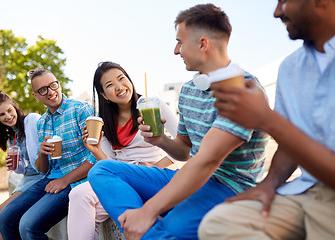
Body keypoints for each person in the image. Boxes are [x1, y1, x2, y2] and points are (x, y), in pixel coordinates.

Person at [88, 4, 269, 240]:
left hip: (230, 188)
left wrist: (147, 211)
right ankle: (147, 231)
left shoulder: (244, 90)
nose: (175, 50)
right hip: (192, 178)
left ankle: (151, 230)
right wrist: (161, 139)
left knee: (166, 230)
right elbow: (184, 150)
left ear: (202, 44)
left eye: (180, 42)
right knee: (103, 170)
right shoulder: (189, 90)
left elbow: (207, 161)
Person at [198, 0, 335, 239]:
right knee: (218, 224)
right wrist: (268, 185)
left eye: (284, 1)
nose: (276, 12)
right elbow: (291, 146)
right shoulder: (291, 67)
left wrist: (266, 119)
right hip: (308, 190)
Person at [67, 61, 178, 240]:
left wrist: (155, 166)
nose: (119, 87)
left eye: (121, 79)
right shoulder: (104, 120)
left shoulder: (152, 105)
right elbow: (107, 164)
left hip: (148, 175)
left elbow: (185, 143)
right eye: (110, 85)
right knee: (79, 196)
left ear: (129, 80)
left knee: (84, 201)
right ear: (104, 94)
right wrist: (94, 149)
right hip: (117, 177)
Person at [0, 68, 97, 240]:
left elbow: (95, 157)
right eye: (43, 89)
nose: (50, 92)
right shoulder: (42, 122)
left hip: (76, 181)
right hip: (49, 179)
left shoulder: (81, 110)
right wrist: (42, 153)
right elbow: (43, 169)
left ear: (59, 84)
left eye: (53, 85)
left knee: (28, 226)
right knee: (4, 218)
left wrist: (64, 180)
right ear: (36, 95)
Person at [0, 90, 44, 240]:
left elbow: (39, 159)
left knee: (1, 213)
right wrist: (15, 165)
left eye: (9, 110)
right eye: (1, 114)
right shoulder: (10, 137)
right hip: (27, 179)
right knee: (1, 215)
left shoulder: (31, 120)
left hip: (42, 176)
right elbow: (22, 170)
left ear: (15, 107)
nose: (7, 116)